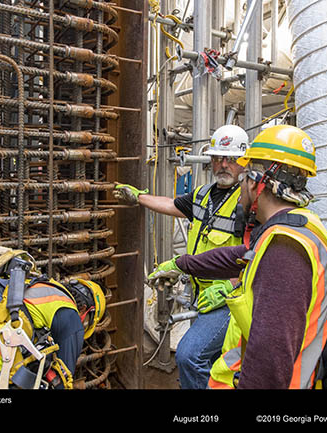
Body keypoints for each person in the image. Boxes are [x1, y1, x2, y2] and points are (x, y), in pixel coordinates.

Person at [148, 124, 327, 389]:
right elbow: (238, 255)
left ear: (254, 182)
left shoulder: (285, 251)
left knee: (190, 354)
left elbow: (269, 363)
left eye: (243, 180)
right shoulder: (297, 227)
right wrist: (180, 264)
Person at [114, 124, 248, 389]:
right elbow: (172, 205)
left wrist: (230, 285)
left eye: (230, 159)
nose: (223, 165)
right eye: (218, 158)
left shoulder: (247, 202)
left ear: (244, 161)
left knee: (189, 356)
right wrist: (139, 197)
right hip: (202, 295)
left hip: (230, 299)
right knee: (215, 363)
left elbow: (254, 253)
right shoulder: (203, 195)